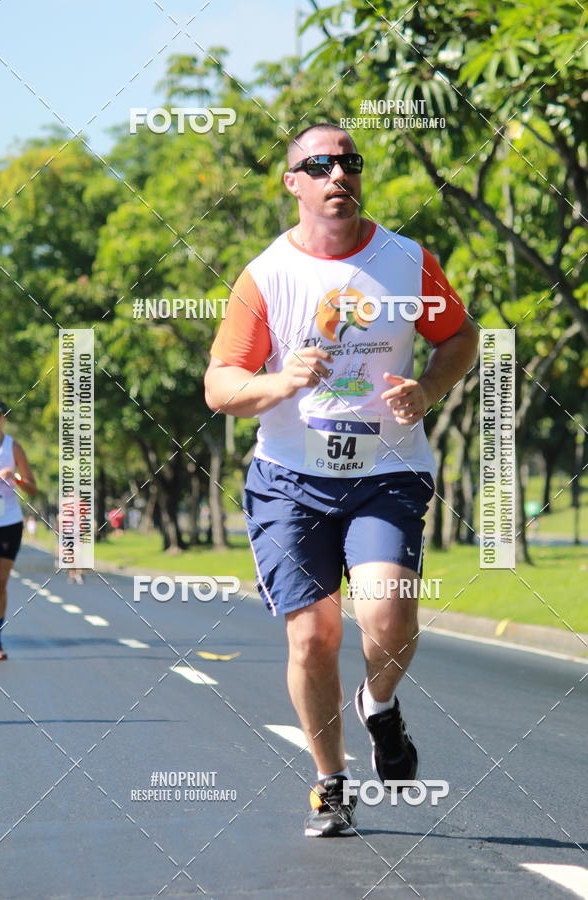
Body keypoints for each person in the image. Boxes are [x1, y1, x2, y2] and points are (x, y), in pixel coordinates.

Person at [204, 123, 478, 836]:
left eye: (350, 163)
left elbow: (461, 336)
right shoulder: (265, 276)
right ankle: (331, 783)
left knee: (387, 615)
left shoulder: (407, 260)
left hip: (386, 469)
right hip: (291, 480)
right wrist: (277, 380)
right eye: (320, 165)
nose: (338, 175)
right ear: (293, 182)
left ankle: (379, 704)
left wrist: (429, 389)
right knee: (314, 637)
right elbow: (219, 386)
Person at [0, 396, 37, 661]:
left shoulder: (13, 448)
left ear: (4, 418)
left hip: (7, 523)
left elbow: (33, 486)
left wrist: (15, 477)